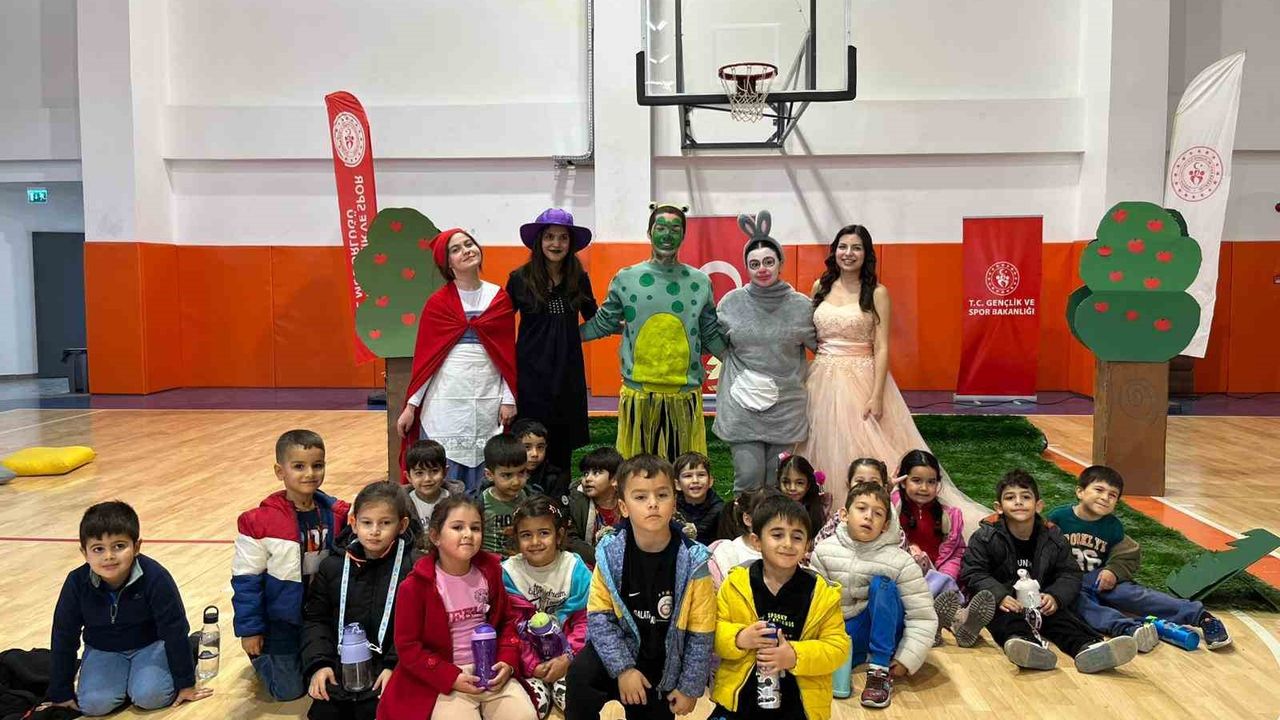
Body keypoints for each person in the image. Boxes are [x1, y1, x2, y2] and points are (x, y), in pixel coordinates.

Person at [796, 225, 986, 530]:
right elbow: (809, 335)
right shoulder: (820, 287)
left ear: (866, 254)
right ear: (834, 251)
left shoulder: (877, 292)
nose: (848, 253)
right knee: (817, 446)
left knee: (865, 445)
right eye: (843, 247)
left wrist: (876, 394)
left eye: (856, 247)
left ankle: (871, 513)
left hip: (861, 376)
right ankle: (823, 515)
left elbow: (881, 346)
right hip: (820, 377)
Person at [564, 454, 715, 720]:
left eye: (662, 495)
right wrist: (623, 669)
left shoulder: (694, 561)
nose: (653, 503)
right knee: (580, 674)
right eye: (641, 497)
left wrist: (689, 688)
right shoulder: (609, 554)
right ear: (624, 507)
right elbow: (599, 619)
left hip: (661, 665)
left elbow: (701, 633)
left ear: (674, 502)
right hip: (616, 652)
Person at [580, 202, 727, 461]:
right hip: (639, 398)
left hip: (684, 397)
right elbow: (604, 322)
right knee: (637, 473)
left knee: (681, 474)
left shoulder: (700, 282)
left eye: (675, 229)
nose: (667, 235)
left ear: (683, 235)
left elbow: (709, 333)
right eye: (661, 228)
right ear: (649, 233)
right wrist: (560, 339)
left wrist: (743, 361)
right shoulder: (626, 278)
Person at [377, 495, 538, 719]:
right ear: (435, 536)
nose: (468, 534)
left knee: (524, 716)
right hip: (446, 678)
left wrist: (507, 661)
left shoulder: (491, 571)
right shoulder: (414, 586)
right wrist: (450, 677)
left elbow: (506, 622)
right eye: (457, 527)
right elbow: (408, 647)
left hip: (491, 670)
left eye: (475, 528)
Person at [960, 470, 1137, 673]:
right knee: (1005, 620)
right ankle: (1025, 645)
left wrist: (1055, 596)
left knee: (1062, 620)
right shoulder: (986, 536)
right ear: (999, 507)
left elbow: (1069, 573)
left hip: (1040, 600)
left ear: (1038, 505)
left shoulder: (1052, 535)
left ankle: (1089, 647)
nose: (1018, 502)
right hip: (1005, 602)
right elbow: (974, 572)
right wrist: (999, 596)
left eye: (1026, 497)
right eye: (1010, 498)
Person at [46, 501, 212, 716]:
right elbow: (63, 635)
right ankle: (125, 682)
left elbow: (174, 629)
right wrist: (60, 692)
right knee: (94, 705)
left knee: (152, 697)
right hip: (103, 650)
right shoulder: (77, 583)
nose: (108, 556)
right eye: (98, 549)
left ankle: (190, 649)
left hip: (150, 645)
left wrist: (186, 682)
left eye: (119, 546)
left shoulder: (155, 577)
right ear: (84, 553)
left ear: (137, 547)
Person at [1046, 465, 1231, 651]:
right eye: (1099, 490)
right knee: (1078, 604)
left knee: (1135, 595)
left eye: (1112, 495)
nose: (1105, 497)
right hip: (1067, 583)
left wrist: (1113, 571)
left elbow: (1128, 553)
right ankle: (1130, 629)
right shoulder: (1059, 517)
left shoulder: (1113, 526)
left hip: (1099, 580)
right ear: (1080, 492)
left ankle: (1202, 617)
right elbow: (1041, 547)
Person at [397, 228, 518, 494]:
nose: (466, 250)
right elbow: (427, 362)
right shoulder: (438, 303)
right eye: (456, 249)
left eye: (469, 243)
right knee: (446, 468)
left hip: (488, 394)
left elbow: (507, 355)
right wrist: (411, 406)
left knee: (485, 464)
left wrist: (509, 398)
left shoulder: (499, 298)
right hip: (446, 398)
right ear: (447, 263)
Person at [233, 430, 350, 701]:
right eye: (299, 466)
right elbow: (246, 580)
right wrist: (250, 629)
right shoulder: (258, 522)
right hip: (281, 620)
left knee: (334, 678)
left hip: (322, 615)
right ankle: (262, 657)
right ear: (279, 471)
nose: (310, 473)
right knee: (289, 692)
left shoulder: (338, 514)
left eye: (317, 465)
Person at [710, 495, 849, 720]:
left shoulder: (821, 593)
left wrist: (794, 655)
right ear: (756, 541)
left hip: (799, 708)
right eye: (777, 535)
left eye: (797, 537)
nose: (787, 544)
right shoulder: (735, 584)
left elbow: (837, 648)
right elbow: (713, 632)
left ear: (808, 545)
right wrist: (739, 637)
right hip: (739, 704)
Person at [713, 211, 817, 493]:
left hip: (786, 409)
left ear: (780, 263)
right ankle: (743, 523)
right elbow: (714, 342)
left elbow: (823, 348)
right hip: (742, 407)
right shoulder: (731, 303)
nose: (762, 269)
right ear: (746, 267)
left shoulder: (801, 306)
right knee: (748, 479)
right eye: (754, 263)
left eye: (769, 261)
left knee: (777, 482)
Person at [809, 482, 936, 709]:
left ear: (885, 525)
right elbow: (815, 603)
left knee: (882, 585)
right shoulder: (824, 551)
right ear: (844, 515)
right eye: (861, 509)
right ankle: (858, 655)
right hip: (846, 629)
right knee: (827, 664)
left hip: (888, 629)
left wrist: (907, 658)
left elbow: (922, 615)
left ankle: (879, 669)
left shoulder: (900, 561)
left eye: (877, 513)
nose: (868, 516)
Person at [302, 482, 415, 720]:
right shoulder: (332, 566)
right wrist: (320, 664)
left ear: (402, 525)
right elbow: (316, 619)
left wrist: (394, 666)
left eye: (385, 523)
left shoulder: (414, 568)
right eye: (366, 522)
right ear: (353, 523)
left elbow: (417, 628)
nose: (375, 531)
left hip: (390, 668)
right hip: (339, 668)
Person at [508, 208, 598, 476]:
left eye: (563, 237)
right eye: (549, 236)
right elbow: (499, 323)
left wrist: (629, 326)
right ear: (539, 241)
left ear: (570, 243)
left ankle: (560, 497)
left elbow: (595, 318)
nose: (556, 243)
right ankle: (526, 495)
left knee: (562, 443)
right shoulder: (519, 278)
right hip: (530, 373)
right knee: (529, 440)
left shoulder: (578, 278)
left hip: (567, 372)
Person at [892, 450, 996, 648]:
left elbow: (957, 553)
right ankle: (947, 622)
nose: (924, 488)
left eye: (931, 482)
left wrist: (945, 573)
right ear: (903, 481)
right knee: (920, 588)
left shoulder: (949, 515)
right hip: (905, 573)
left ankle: (952, 623)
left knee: (941, 585)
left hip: (936, 576)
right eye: (916, 480)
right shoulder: (891, 508)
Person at [502, 496, 593, 718]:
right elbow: (510, 627)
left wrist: (568, 657)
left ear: (559, 535)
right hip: (528, 663)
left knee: (573, 701)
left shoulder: (575, 569)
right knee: (536, 707)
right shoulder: (507, 574)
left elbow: (586, 620)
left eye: (544, 533)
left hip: (569, 658)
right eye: (526, 535)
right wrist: (531, 664)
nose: (535, 542)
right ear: (516, 537)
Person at [565, 446, 625, 566]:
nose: (587, 478)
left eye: (596, 473)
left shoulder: (628, 502)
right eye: (585, 473)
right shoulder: (575, 502)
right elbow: (570, 540)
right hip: (588, 565)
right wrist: (600, 558)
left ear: (615, 479)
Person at [710, 487, 784, 583]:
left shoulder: (789, 548)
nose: (777, 524)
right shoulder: (727, 553)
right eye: (768, 517)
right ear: (748, 519)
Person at [480, 433, 535, 557]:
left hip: (522, 561)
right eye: (507, 475)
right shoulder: (480, 502)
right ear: (489, 475)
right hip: (489, 563)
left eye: (521, 473)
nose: (516, 482)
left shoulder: (529, 498)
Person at [814, 458, 889, 546]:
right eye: (860, 481)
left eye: (874, 482)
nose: (867, 487)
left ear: (884, 487)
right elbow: (818, 546)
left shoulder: (891, 523)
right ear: (848, 484)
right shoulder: (839, 518)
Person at [402, 439, 463, 528]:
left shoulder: (457, 500)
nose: (427, 479)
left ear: (445, 472)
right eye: (419, 473)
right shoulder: (402, 504)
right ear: (408, 476)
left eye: (434, 471)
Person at [776, 453, 828, 548]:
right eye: (786, 482)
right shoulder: (772, 508)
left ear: (808, 485)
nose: (792, 488)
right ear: (779, 482)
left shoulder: (818, 508)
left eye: (799, 483)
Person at [512, 418, 569, 504]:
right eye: (527, 447)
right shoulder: (503, 472)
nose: (535, 454)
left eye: (540, 447)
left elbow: (560, 509)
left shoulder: (555, 477)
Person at [674, 451, 725, 545]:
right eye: (688, 476)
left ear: (710, 481)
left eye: (701, 475)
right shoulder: (672, 508)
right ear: (677, 484)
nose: (695, 480)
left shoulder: (721, 511)